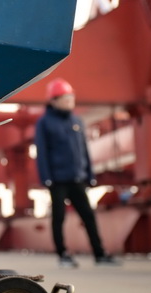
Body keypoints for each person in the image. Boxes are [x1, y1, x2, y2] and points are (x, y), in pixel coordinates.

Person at [34, 78, 119, 268]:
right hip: (57, 180)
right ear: (54, 100)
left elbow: (84, 150)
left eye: (71, 97)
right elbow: (42, 152)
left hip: (77, 178)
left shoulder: (77, 121)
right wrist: (46, 178)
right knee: (59, 217)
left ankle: (100, 254)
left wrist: (90, 174)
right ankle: (63, 254)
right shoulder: (44, 123)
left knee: (88, 215)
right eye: (65, 97)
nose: (70, 100)